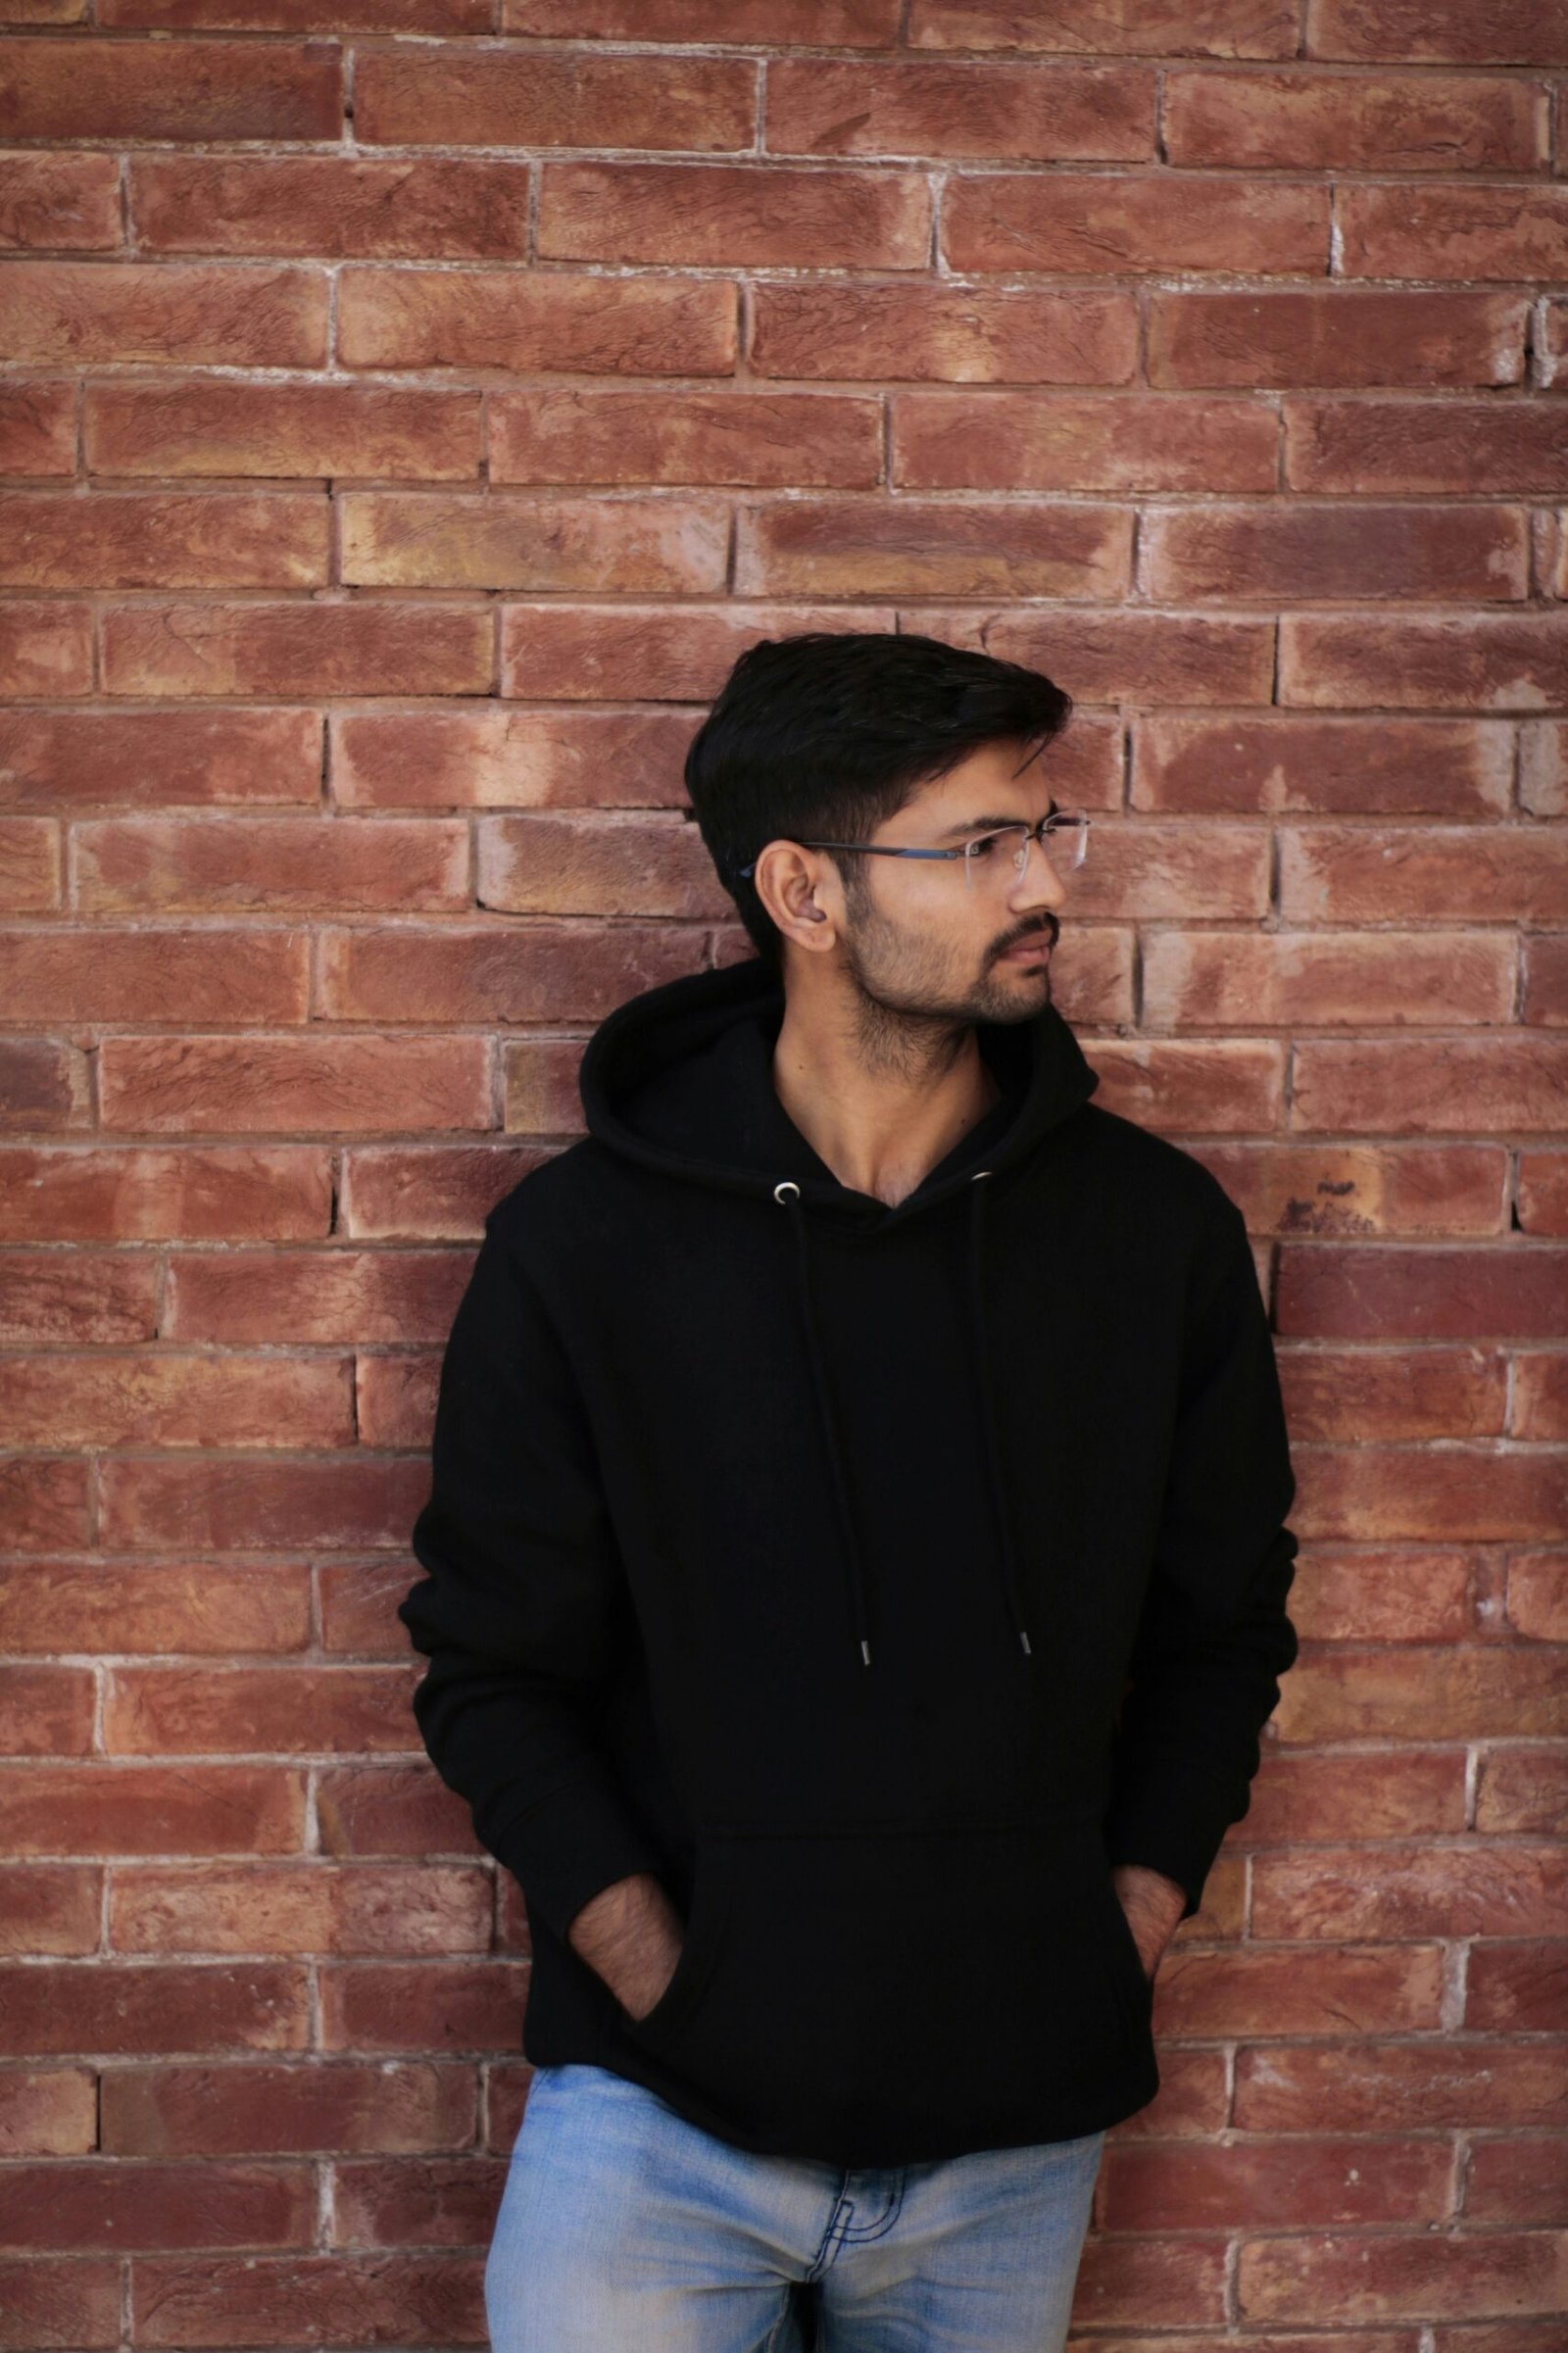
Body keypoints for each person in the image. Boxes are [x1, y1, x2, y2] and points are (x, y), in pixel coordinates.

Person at [399, 629, 1300, 2351]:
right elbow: (492, 1666)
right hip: (655, 2133)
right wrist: (676, 1979)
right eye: (980, 845)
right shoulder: (583, 1252)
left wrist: (1120, 1926)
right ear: (804, 891)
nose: (1041, 884)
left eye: (1045, 831)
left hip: (1010, 2141)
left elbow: (1222, 1631)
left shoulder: (1150, 1236)